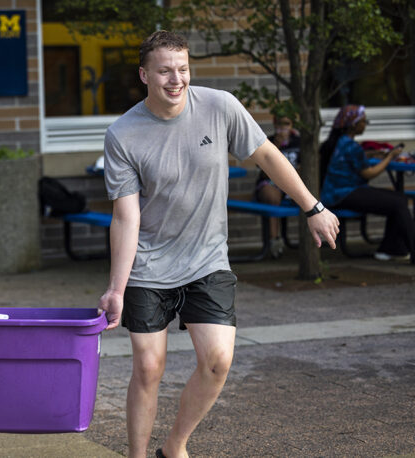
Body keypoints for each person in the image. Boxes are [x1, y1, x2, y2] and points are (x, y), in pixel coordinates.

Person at [98, 31, 340, 458]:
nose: (177, 80)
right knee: (149, 369)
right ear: (144, 75)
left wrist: (312, 207)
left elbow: (267, 156)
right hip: (149, 266)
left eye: (183, 70)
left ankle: (174, 447)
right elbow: (126, 216)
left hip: (207, 259)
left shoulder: (220, 106)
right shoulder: (123, 134)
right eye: (165, 71)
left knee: (217, 361)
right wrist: (116, 289)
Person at [320, 104, 414, 262]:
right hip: (344, 194)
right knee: (398, 202)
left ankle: (391, 249)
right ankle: (401, 248)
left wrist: (372, 153)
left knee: (399, 200)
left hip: (337, 192)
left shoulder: (339, 142)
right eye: (363, 121)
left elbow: (354, 158)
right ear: (353, 125)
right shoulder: (351, 146)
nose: (366, 124)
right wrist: (389, 157)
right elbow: (369, 173)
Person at [254, 115, 301, 258]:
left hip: (293, 182)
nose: (283, 128)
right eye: (279, 125)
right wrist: (276, 147)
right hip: (271, 182)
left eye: (286, 124)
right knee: (272, 197)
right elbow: (261, 168)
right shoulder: (269, 141)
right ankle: (274, 240)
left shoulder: (299, 142)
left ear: (292, 125)